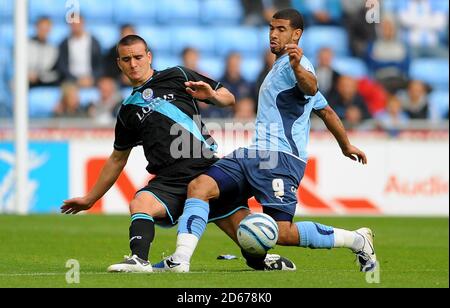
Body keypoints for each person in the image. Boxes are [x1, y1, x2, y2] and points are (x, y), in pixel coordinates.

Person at [157, 9, 377, 274]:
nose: (273, 34)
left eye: (281, 29)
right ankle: (180, 259)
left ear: (296, 34)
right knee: (200, 186)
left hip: (281, 159)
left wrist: (298, 67)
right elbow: (326, 111)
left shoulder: (300, 65)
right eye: (272, 28)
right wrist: (346, 145)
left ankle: (357, 240)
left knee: (282, 233)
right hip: (255, 154)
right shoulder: (279, 66)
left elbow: (311, 87)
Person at [61, 35, 295, 273]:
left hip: (207, 171)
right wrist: (91, 198)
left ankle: (263, 261)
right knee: (140, 202)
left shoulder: (177, 75)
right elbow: (117, 158)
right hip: (169, 180)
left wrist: (212, 96)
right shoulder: (127, 111)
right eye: (127, 59)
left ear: (149, 57)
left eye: (138, 57)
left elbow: (229, 98)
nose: (133, 64)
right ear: (119, 63)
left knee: (250, 239)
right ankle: (139, 259)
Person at [28, 17, 59, 87]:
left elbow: (53, 73)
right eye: (41, 28)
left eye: (46, 28)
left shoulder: (53, 49)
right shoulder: (25, 45)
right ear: (36, 28)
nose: (44, 31)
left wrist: (39, 76)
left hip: (43, 81)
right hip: (25, 79)